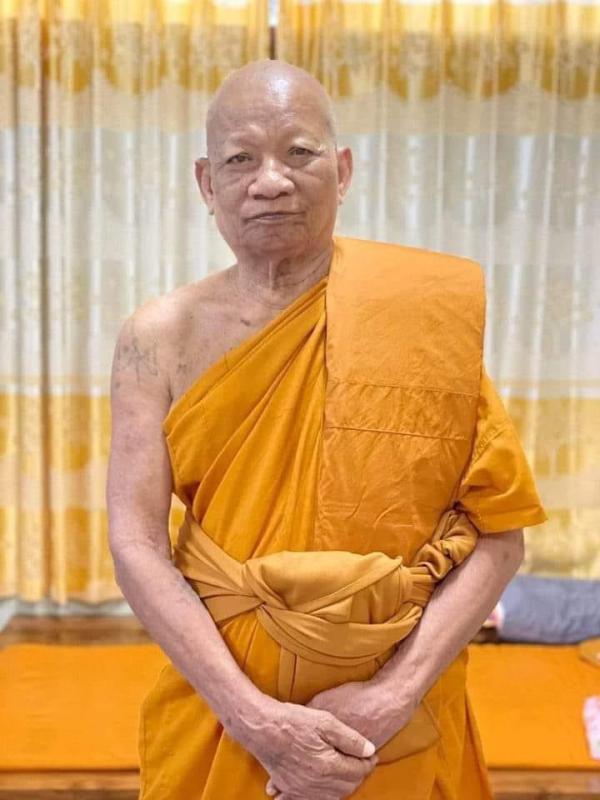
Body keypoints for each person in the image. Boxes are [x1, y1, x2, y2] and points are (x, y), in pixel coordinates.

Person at [106, 59, 547, 800]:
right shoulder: (159, 336)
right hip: (228, 707)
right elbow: (135, 542)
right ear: (206, 184)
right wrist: (254, 719)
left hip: (394, 717)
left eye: (299, 152)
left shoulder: (420, 316)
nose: (271, 181)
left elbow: (500, 537)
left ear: (341, 171)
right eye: (240, 159)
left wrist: (394, 693)